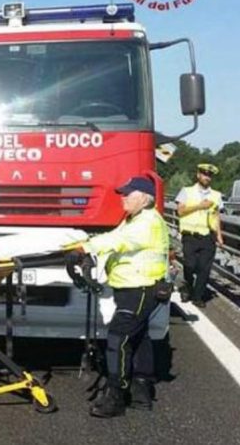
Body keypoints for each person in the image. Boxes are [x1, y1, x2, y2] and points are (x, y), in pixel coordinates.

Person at [65, 176, 169, 418]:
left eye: (127, 194)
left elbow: (118, 241)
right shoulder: (133, 219)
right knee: (139, 337)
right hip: (133, 288)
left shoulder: (149, 221)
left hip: (141, 288)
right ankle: (141, 392)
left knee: (118, 338)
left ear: (143, 198)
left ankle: (116, 396)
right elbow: (115, 238)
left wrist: (84, 248)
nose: (122, 198)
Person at [174, 163, 224, 307]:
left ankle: (198, 296)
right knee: (189, 265)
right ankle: (188, 286)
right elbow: (180, 211)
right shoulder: (186, 191)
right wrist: (199, 206)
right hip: (190, 236)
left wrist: (219, 235)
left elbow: (216, 216)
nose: (206, 177)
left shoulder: (216, 195)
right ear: (198, 175)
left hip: (208, 236)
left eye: (209, 175)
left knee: (204, 268)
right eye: (204, 174)